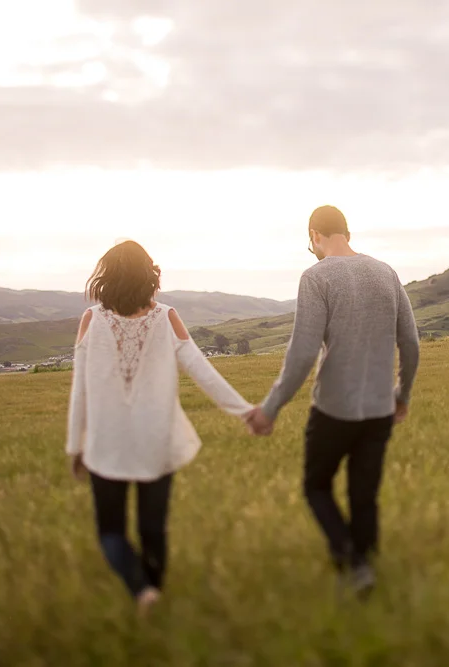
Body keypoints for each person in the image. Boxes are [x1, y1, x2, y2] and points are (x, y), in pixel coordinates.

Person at [66, 240, 253, 615]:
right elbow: (203, 372)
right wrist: (246, 411)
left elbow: (79, 390)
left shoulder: (91, 320)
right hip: (158, 441)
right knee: (154, 530)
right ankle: (153, 592)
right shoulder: (166, 317)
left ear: (107, 278)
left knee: (111, 532)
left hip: (107, 444)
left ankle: (142, 592)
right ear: (149, 276)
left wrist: (75, 445)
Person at [246, 205, 420, 598]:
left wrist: (269, 409)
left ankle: (353, 564)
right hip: (379, 409)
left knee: (316, 486)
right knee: (364, 494)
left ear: (314, 236)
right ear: (347, 233)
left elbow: (304, 352)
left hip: (333, 410)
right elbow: (410, 343)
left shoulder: (316, 277)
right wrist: (402, 396)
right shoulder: (386, 273)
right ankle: (367, 571)